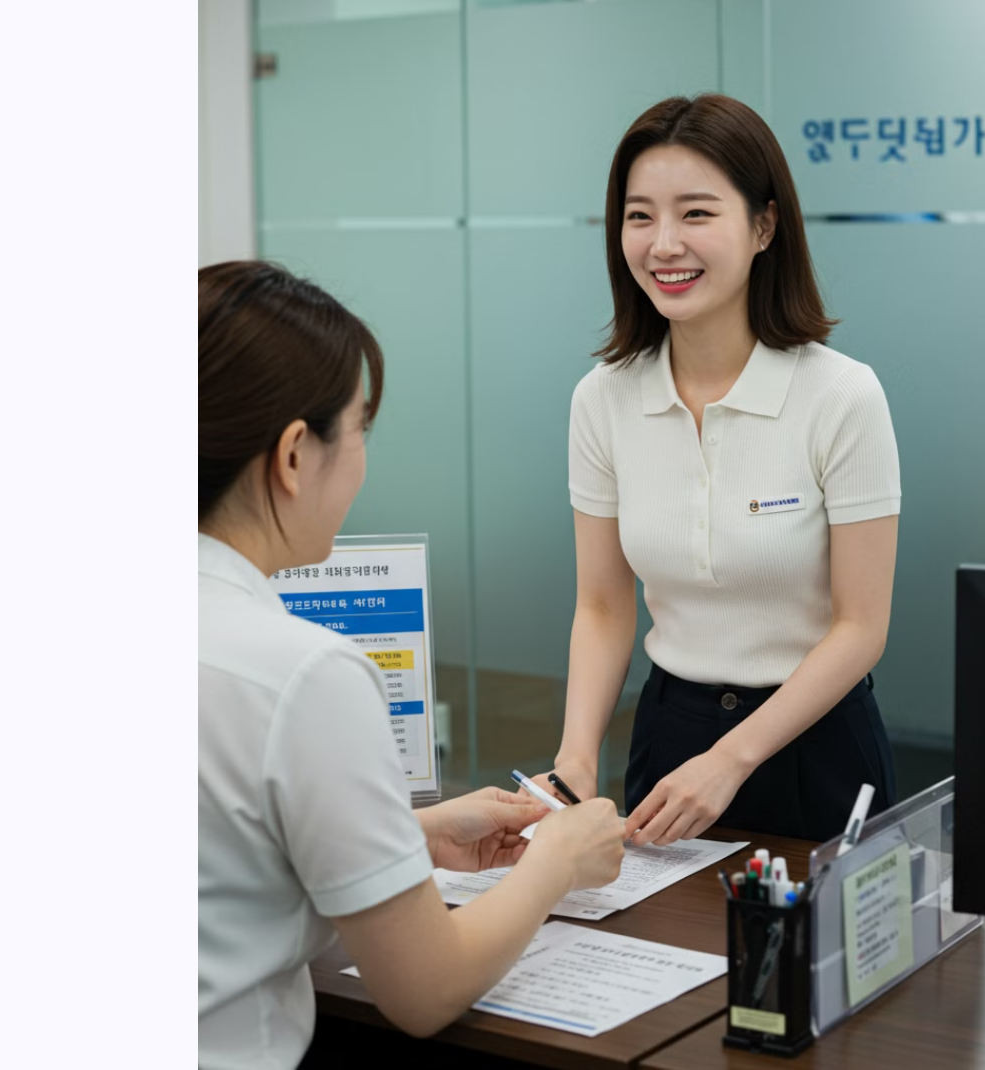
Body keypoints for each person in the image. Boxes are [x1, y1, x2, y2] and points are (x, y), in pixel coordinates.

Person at [199, 260, 624, 1070]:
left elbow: (219, 855)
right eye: (359, 429)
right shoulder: (303, 674)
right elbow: (426, 990)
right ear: (294, 455)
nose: (363, 458)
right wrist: (557, 864)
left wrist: (412, 835)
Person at [541, 94, 901, 848]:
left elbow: (861, 627)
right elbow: (603, 606)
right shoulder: (602, 399)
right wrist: (575, 760)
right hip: (671, 736)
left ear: (764, 226)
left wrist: (732, 758)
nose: (664, 244)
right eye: (640, 217)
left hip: (815, 743)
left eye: (696, 213)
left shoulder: (842, 395)